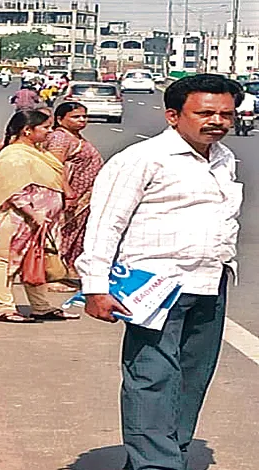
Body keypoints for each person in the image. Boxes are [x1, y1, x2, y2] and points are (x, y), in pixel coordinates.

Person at [76, 74, 243, 470]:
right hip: (153, 285)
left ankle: (168, 454)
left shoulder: (223, 158)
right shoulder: (142, 159)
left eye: (226, 114)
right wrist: (95, 286)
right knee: (151, 376)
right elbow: (105, 224)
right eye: (205, 113)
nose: (217, 122)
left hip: (209, 280)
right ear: (173, 115)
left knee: (192, 378)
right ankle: (156, 463)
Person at [0, 110, 76, 323]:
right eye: (45, 128)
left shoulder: (37, 153)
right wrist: (33, 214)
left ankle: (41, 307)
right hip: (16, 220)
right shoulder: (14, 156)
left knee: (35, 262)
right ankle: (4, 308)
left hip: (39, 222)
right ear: (27, 130)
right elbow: (13, 191)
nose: (50, 132)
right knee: (5, 263)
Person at [45, 102, 104, 279]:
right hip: (70, 196)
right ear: (60, 119)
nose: (82, 120)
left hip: (84, 197)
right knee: (62, 233)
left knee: (78, 234)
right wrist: (67, 192)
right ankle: (54, 274)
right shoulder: (60, 137)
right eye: (76, 117)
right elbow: (55, 167)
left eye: (84, 116)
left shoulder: (75, 137)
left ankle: (69, 269)